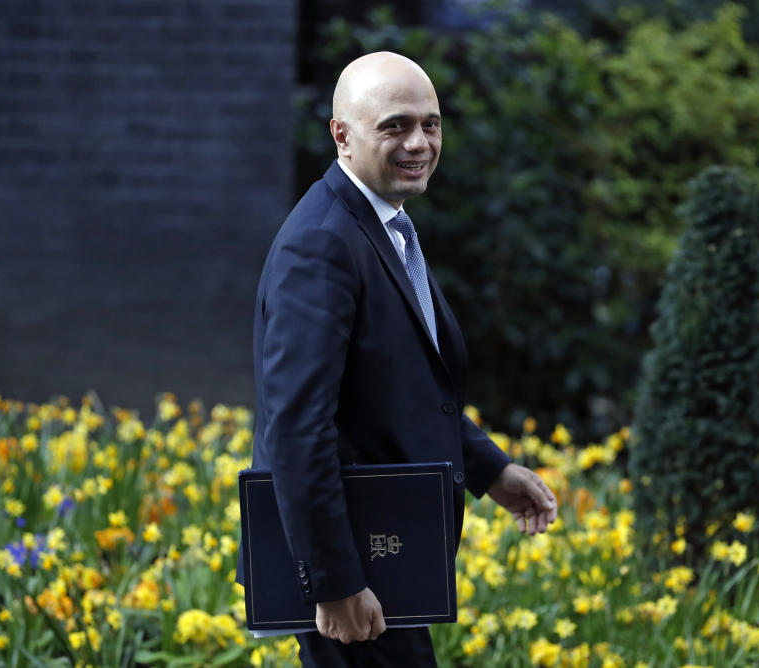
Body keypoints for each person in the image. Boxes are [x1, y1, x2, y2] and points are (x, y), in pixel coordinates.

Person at [238, 51, 557, 666]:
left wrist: (491, 470)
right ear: (342, 135)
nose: (420, 142)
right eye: (395, 126)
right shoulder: (323, 244)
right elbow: (297, 428)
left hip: (386, 559)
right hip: (355, 573)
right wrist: (334, 583)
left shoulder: (383, 225)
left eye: (431, 124)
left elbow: (397, 386)